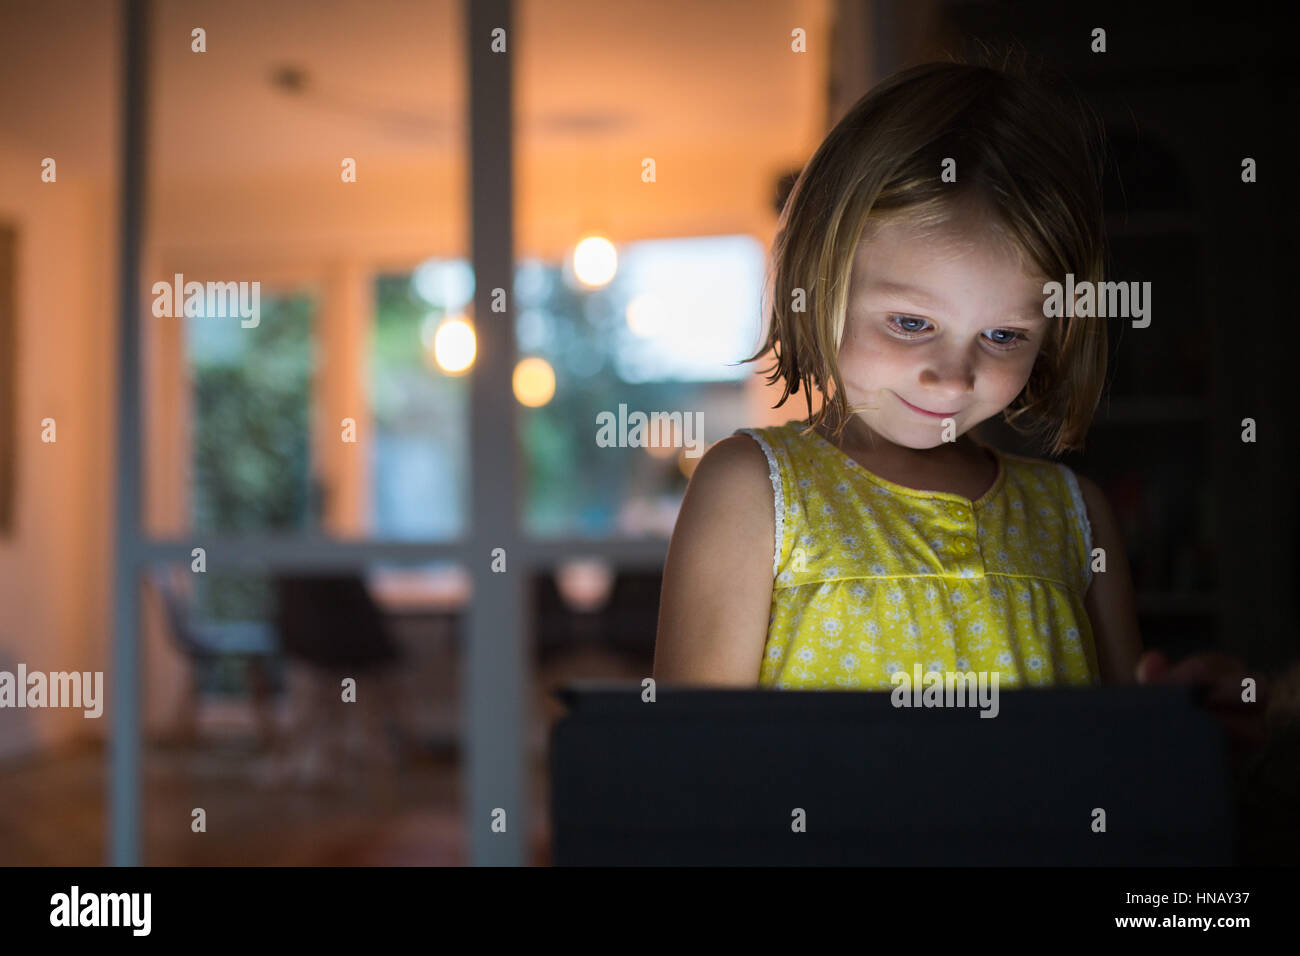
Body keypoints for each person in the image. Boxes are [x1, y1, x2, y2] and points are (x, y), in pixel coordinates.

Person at [653, 58, 1269, 751]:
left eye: (1004, 335)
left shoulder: (1078, 518)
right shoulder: (752, 492)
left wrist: (1190, 726)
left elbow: (1126, 766)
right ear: (819, 283)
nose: (952, 379)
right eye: (911, 323)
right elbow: (688, 770)